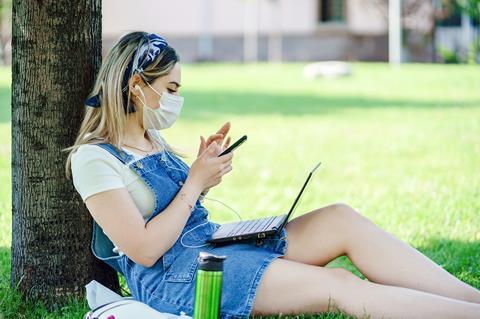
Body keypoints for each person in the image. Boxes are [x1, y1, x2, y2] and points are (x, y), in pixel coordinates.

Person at [63, 31, 480, 319]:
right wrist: (195, 182)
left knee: (340, 218)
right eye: (170, 89)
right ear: (137, 86)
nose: (177, 99)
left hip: (211, 244)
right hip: (176, 277)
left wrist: (204, 167)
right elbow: (144, 251)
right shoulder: (93, 160)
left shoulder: (151, 137)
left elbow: (184, 212)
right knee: (337, 283)